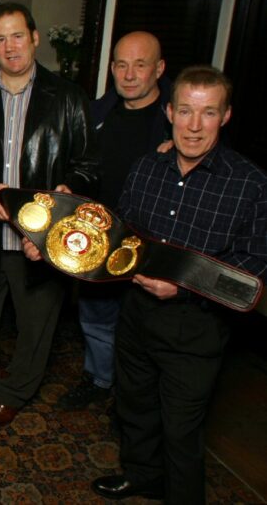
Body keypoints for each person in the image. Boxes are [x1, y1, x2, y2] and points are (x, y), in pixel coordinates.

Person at [91, 66, 267, 504]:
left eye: (207, 113)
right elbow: (124, 229)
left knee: (183, 429)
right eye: (185, 110)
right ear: (169, 111)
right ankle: (141, 475)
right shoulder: (148, 166)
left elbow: (252, 266)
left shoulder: (251, 184)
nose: (193, 125)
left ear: (225, 116)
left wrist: (183, 287)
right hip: (136, 313)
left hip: (197, 325)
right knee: (136, 408)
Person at [0, 2, 98, 427]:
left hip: (40, 243)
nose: (9, 46)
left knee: (36, 327)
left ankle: (15, 393)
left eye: (16, 36)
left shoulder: (67, 98)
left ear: (34, 38)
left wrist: (68, 195)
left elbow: (88, 165)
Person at [59, 31, 170, 410]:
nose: (130, 74)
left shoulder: (175, 123)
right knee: (97, 319)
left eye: (140, 65)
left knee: (144, 327)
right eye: (121, 64)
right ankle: (99, 378)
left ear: (159, 69)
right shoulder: (96, 114)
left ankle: (136, 395)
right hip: (101, 236)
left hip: (152, 242)